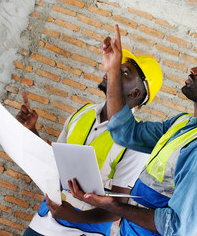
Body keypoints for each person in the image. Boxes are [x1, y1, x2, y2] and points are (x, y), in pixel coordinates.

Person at [65, 25, 197, 236]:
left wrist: (114, 205)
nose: (193, 70)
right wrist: (112, 71)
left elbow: (176, 226)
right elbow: (125, 133)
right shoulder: (183, 124)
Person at [17, 48, 163, 236]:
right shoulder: (83, 113)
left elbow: (119, 207)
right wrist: (31, 130)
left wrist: (75, 216)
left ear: (135, 93)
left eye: (124, 72)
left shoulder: (136, 141)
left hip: (83, 232)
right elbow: (55, 162)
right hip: (43, 223)